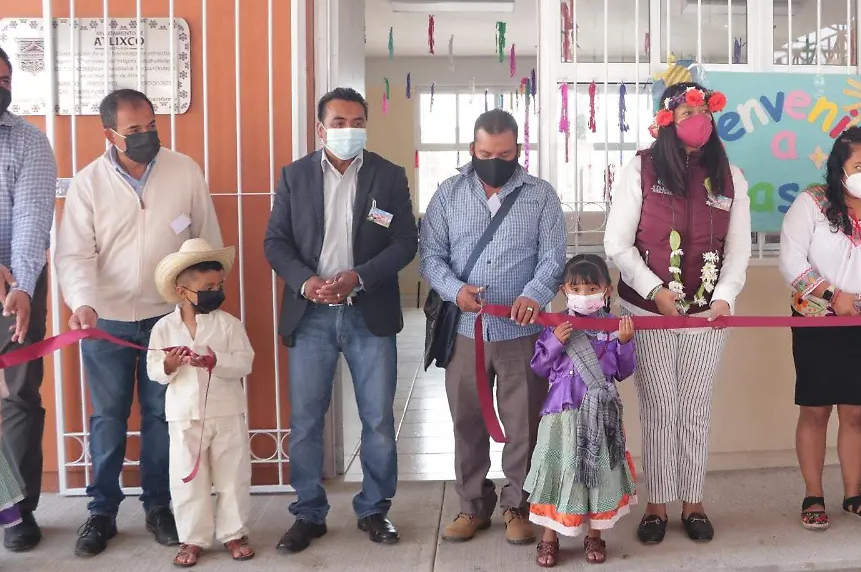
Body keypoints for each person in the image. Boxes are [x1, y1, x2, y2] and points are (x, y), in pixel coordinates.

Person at [56, 88, 222, 557]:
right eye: (134, 131)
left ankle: (158, 506)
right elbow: (75, 253)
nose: (147, 135)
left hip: (167, 318)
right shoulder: (88, 183)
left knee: (161, 417)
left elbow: (205, 238)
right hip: (106, 321)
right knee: (108, 417)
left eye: (151, 125)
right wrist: (83, 302)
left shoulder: (183, 169)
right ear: (110, 134)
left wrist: (201, 298)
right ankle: (102, 512)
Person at [264, 87, 418, 553]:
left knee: (377, 419)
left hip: (367, 314)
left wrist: (358, 277)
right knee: (307, 421)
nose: (348, 130)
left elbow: (405, 242)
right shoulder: (295, 177)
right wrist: (307, 283)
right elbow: (276, 243)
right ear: (320, 127)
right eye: (338, 122)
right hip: (310, 314)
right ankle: (309, 513)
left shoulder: (388, 177)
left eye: (356, 122)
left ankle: (374, 509)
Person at [604, 82, 750, 544]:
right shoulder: (641, 168)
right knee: (659, 407)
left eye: (705, 111)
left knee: (693, 407)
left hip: (707, 314)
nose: (699, 119)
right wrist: (654, 289)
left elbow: (738, 249)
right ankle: (656, 505)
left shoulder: (730, 176)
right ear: (667, 118)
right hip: (647, 310)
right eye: (688, 110)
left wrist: (725, 295)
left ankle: (693, 501)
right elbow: (617, 244)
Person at [421, 109, 566, 546]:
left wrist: (533, 296)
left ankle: (517, 507)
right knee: (466, 422)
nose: (495, 160)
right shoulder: (448, 194)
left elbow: (553, 258)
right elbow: (431, 257)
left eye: (504, 153)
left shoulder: (540, 195)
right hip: (464, 332)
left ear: (517, 150)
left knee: (523, 423)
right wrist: (456, 290)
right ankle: (472, 507)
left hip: (522, 333)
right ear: (472, 149)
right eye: (486, 153)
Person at [778, 125, 861, 531]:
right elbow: (791, 259)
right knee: (816, 409)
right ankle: (813, 495)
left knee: (856, 412)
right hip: (817, 322)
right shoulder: (812, 204)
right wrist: (830, 294)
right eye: (860, 166)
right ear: (840, 166)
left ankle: (854, 496)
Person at [146, 239, 255, 567]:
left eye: (219, 286)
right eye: (208, 286)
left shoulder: (229, 324)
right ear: (182, 291)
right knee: (186, 478)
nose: (216, 292)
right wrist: (170, 365)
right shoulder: (164, 328)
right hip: (183, 415)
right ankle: (192, 538)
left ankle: (234, 533)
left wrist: (214, 360)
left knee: (232, 476)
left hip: (227, 412)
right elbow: (154, 370)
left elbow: (245, 362)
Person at [526, 254, 637, 568]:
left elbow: (621, 371)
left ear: (607, 289)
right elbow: (539, 367)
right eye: (576, 288)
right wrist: (554, 345)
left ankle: (595, 536)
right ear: (564, 289)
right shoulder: (555, 325)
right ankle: (549, 539)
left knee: (598, 474)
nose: (584, 295)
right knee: (556, 473)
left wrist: (625, 342)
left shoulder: (613, 326)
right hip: (562, 415)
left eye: (591, 288)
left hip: (600, 416)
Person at [0, 47, 57, 552]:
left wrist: (21, 285)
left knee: (18, 396)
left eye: (4, 79)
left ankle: (17, 511)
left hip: (14, 291)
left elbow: (33, 215)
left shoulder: (30, 142)